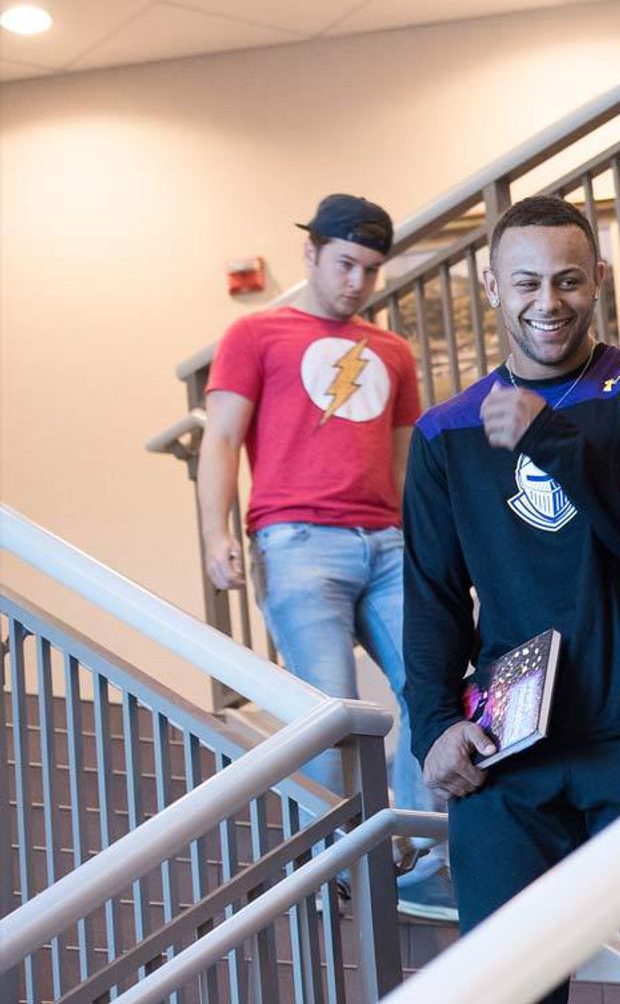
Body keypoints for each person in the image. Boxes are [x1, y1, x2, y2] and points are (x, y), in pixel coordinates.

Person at [402, 195, 620, 1002]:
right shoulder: (446, 433)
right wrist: (434, 727)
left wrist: (549, 433)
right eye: (527, 282)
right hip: (510, 751)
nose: (548, 302)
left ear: (600, 280)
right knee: (509, 983)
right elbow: (433, 595)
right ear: (491, 285)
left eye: (569, 280)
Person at [198, 192, 455, 922]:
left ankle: (422, 859)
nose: (358, 282)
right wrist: (218, 533)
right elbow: (220, 439)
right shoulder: (255, 333)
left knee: (433, 689)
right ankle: (327, 867)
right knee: (330, 713)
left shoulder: (394, 352)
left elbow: (405, 467)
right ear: (310, 253)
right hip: (296, 539)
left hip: (388, 543)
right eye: (346, 263)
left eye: (372, 269)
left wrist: (432, 552)